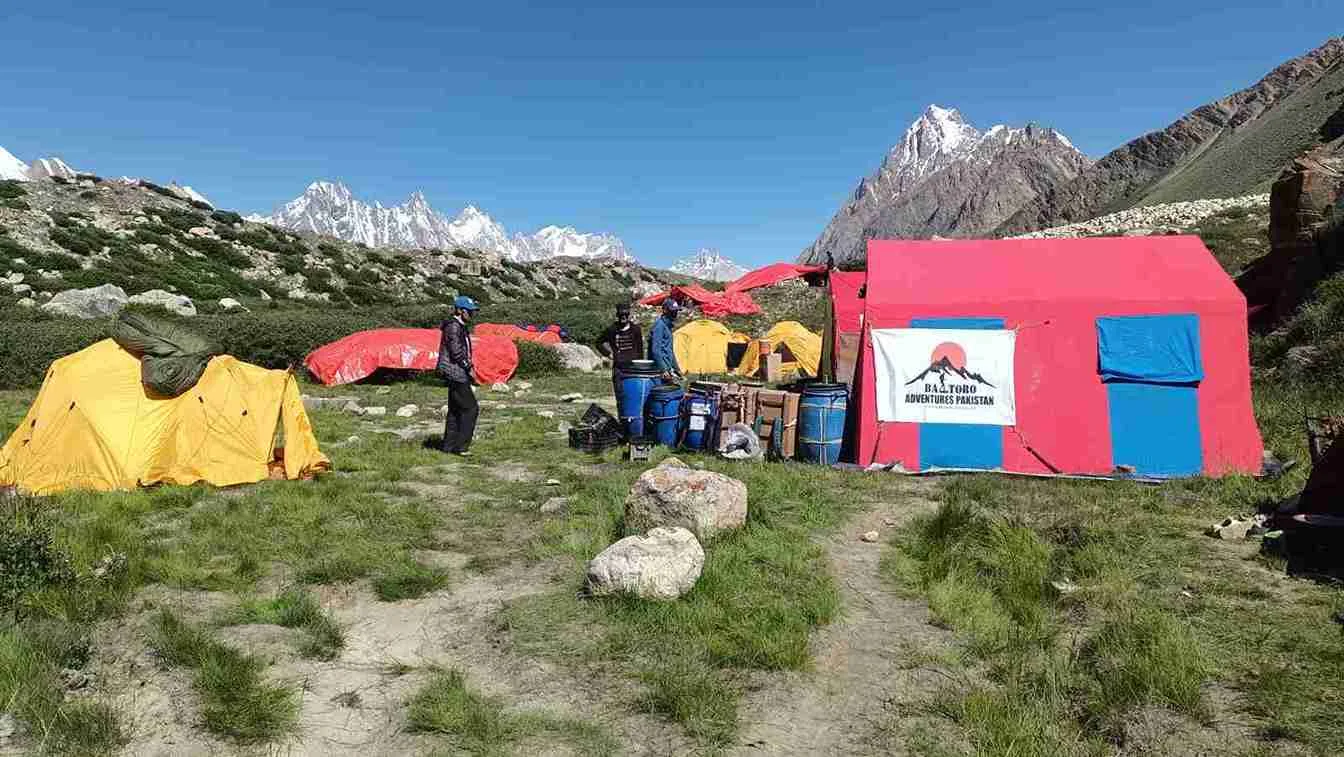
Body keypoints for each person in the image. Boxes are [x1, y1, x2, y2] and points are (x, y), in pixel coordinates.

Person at [437, 295, 480, 456]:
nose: (472, 315)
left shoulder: (458, 326)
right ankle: (461, 447)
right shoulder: (454, 327)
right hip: (455, 372)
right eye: (470, 312)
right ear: (461, 311)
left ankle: (448, 446)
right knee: (471, 409)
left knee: (455, 410)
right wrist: (468, 367)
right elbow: (456, 352)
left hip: (453, 371)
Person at [598, 303, 645, 402]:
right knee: (621, 397)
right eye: (621, 315)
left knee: (634, 397)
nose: (623, 317)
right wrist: (608, 354)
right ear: (617, 315)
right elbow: (598, 342)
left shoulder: (636, 329)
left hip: (633, 368)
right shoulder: (612, 330)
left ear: (629, 315)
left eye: (625, 315)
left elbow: (640, 350)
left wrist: (641, 368)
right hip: (619, 369)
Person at [649, 298, 683, 380]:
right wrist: (663, 369)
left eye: (676, 311)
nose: (675, 314)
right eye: (672, 311)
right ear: (665, 311)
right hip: (659, 371)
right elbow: (656, 350)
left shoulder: (668, 326)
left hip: (667, 369)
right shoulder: (659, 326)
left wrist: (677, 369)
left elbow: (670, 350)